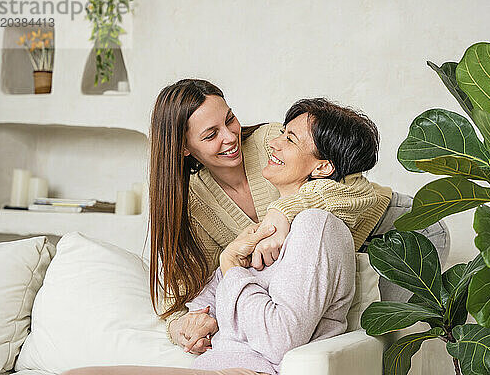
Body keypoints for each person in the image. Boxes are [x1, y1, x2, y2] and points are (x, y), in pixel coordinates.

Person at [61, 97, 379, 375]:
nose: (274, 141)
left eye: (289, 139)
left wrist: (233, 266)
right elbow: (203, 297)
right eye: (211, 134)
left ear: (322, 167)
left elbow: (280, 337)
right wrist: (194, 319)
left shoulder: (315, 226)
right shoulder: (237, 228)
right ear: (185, 148)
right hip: (217, 364)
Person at [147, 80, 393, 346]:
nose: (230, 137)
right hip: (328, 261)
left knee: (391, 345)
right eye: (211, 135)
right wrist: (182, 328)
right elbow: (191, 288)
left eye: (230, 120)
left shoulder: (272, 142)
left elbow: (358, 189)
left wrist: (283, 211)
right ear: (183, 148)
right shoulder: (193, 204)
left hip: (388, 225)